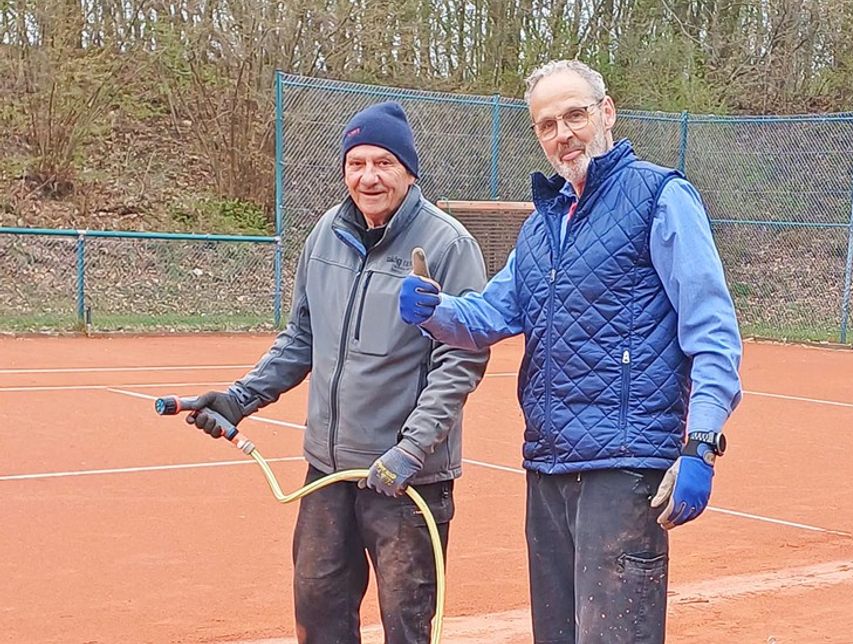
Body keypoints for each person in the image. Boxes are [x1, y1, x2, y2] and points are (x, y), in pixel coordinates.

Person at [398, 60, 742, 643]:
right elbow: (491, 315)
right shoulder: (542, 226)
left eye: (575, 115)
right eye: (547, 124)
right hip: (548, 466)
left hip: (623, 469)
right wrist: (435, 310)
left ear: (607, 113)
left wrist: (701, 444)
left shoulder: (661, 197)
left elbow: (711, 329)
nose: (563, 134)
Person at [184, 101, 490, 644]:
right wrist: (238, 399)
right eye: (357, 163)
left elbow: (461, 358)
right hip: (327, 474)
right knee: (319, 615)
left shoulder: (448, 244)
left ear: (409, 171)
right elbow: (301, 338)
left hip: (406, 480)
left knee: (407, 627)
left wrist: (411, 449)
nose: (369, 177)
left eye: (384, 163)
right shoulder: (325, 234)